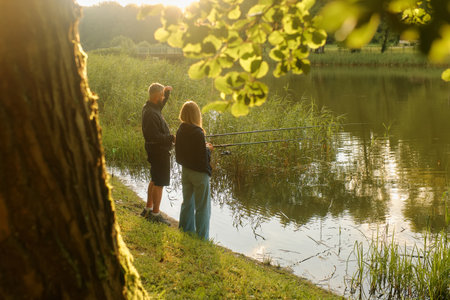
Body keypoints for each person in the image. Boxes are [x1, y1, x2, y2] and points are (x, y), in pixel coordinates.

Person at [175, 101, 213, 240]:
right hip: (199, 174)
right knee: (203, 207)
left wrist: (203, 148)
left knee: (187, 202)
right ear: (196, 115)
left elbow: (184, 151)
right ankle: (202, 238)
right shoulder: (198, 132)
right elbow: (202, 158)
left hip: (186, 171)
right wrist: (208, 150)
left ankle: (185, 231)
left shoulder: (180, 129)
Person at [140, 82, 174, 225]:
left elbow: (160, 105)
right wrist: (171, 138)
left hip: (156, 151)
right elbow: (153, 136)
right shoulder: (150, 114)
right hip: (158, 151)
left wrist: (167, 93)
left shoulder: (151, 107)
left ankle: (148, 208)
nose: (163, 98)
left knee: (154, 179)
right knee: (159, 183)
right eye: (161, 96)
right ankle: (155, 214)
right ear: (156, 97)